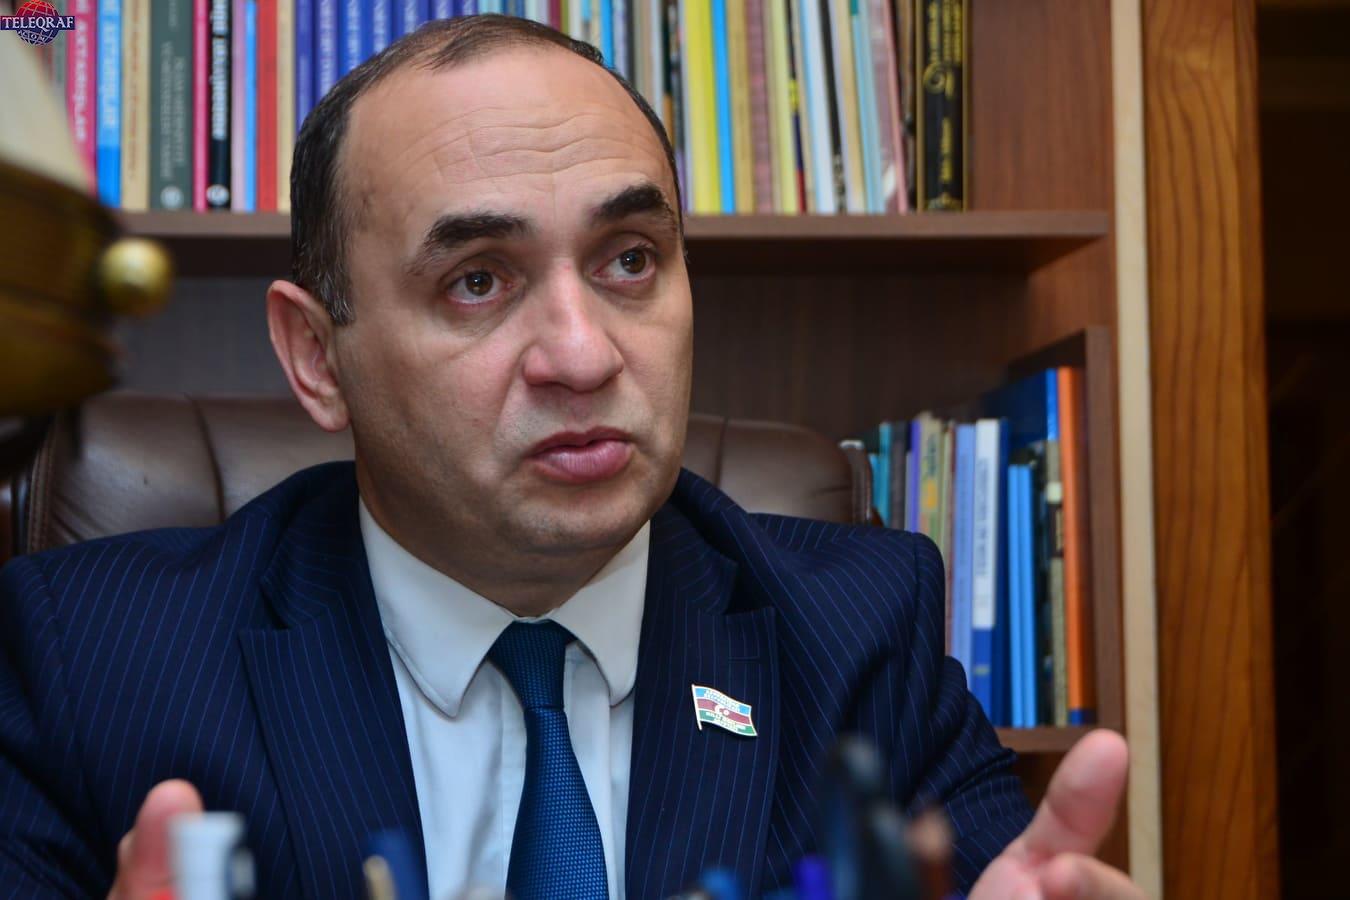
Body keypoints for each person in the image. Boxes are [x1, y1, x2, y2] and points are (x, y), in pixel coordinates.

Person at [0, 15, 1142, 900]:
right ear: (317, 356)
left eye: (630, 259)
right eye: (478, 280)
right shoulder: (88, 663)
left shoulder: (857, 637)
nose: (585, 355)